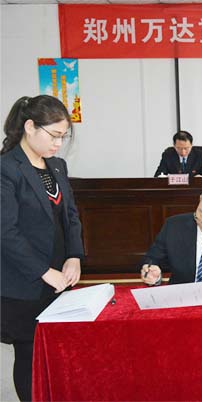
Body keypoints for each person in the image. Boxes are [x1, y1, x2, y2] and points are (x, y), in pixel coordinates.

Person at [1, 95, 84, 401]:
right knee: (29, 352)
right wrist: (43, 271)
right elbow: (5, 231)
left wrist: (74, 256)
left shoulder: (57, 166)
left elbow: (70, 216)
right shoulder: (6, 169)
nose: (58, 144)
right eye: (54, 135)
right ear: (30, 127)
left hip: (59, 276)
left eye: (63, 137)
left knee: (55, 349)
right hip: (24, 280)